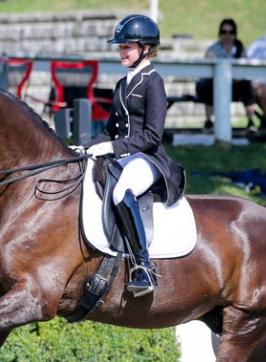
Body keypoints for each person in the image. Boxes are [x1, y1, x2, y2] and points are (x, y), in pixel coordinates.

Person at [84, 14, 186, 297]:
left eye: (126, 46)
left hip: (149, 159)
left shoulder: (154, 82)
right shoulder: (122, 84)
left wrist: (113, 148)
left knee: (122, 191)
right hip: (126, 156)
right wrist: (85, 148)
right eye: (120, 47)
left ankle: (143, 266)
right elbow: (110, 132)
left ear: (145, 48)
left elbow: (153, 136)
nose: (121, 52)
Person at [195, 18, 257, 132]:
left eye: (231, 32)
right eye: (224, 32)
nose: (227, 35)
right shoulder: (214, 48)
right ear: (220, 34)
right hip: (214, 84)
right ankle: (208, 121)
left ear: (235, 34)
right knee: (210, 85)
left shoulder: (240, 49)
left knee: (246, 85)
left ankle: (251, 121)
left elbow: (244, 70)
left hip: (234, 85)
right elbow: (209, 61)